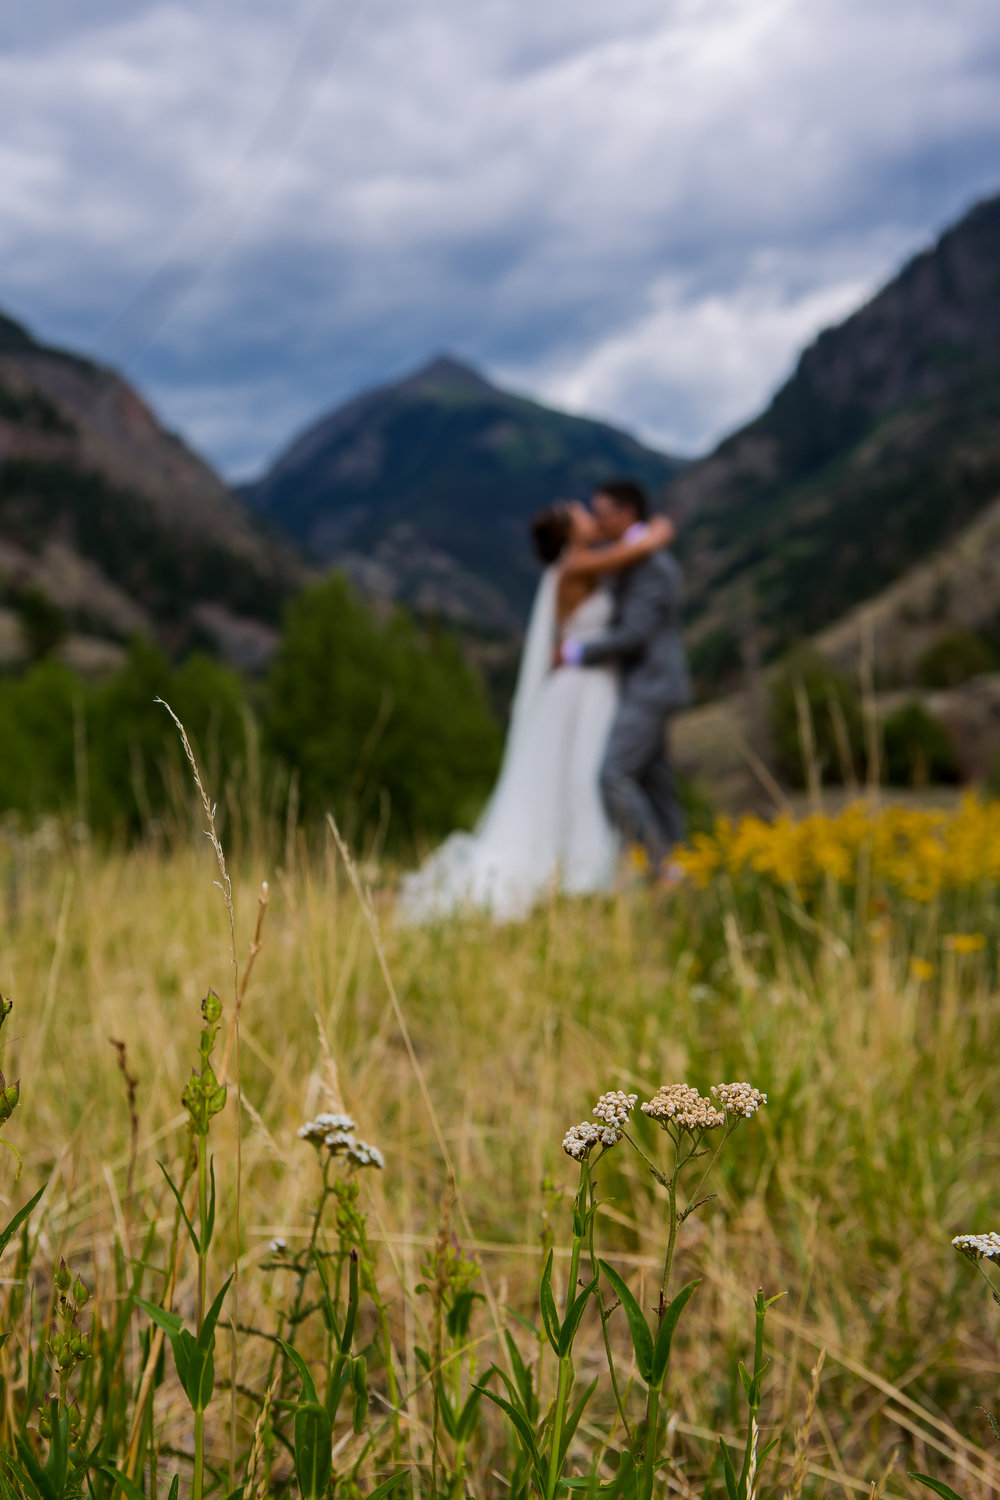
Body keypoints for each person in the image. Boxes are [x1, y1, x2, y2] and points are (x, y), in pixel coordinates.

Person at [396, 501, 675, 922]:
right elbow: (630, 555)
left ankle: (599, 865)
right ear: (569, 533)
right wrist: (655, 532)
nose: (590, 516)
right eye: (581, 513)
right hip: (582, 688)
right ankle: (594, 868)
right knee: (585, 773)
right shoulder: (578, 566)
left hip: (591, 684)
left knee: (582, 774)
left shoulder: (575, 566)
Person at [559, 479, 691, 881]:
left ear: (626, 513)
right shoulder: (633, 554)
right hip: (641, 684)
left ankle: (659, 868)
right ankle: (680, 864)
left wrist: (574, 652)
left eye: (603, 514)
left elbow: (635, 633)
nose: (598, 523)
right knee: (654, 780)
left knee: (614, 775)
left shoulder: (650, 563)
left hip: (650, 684)